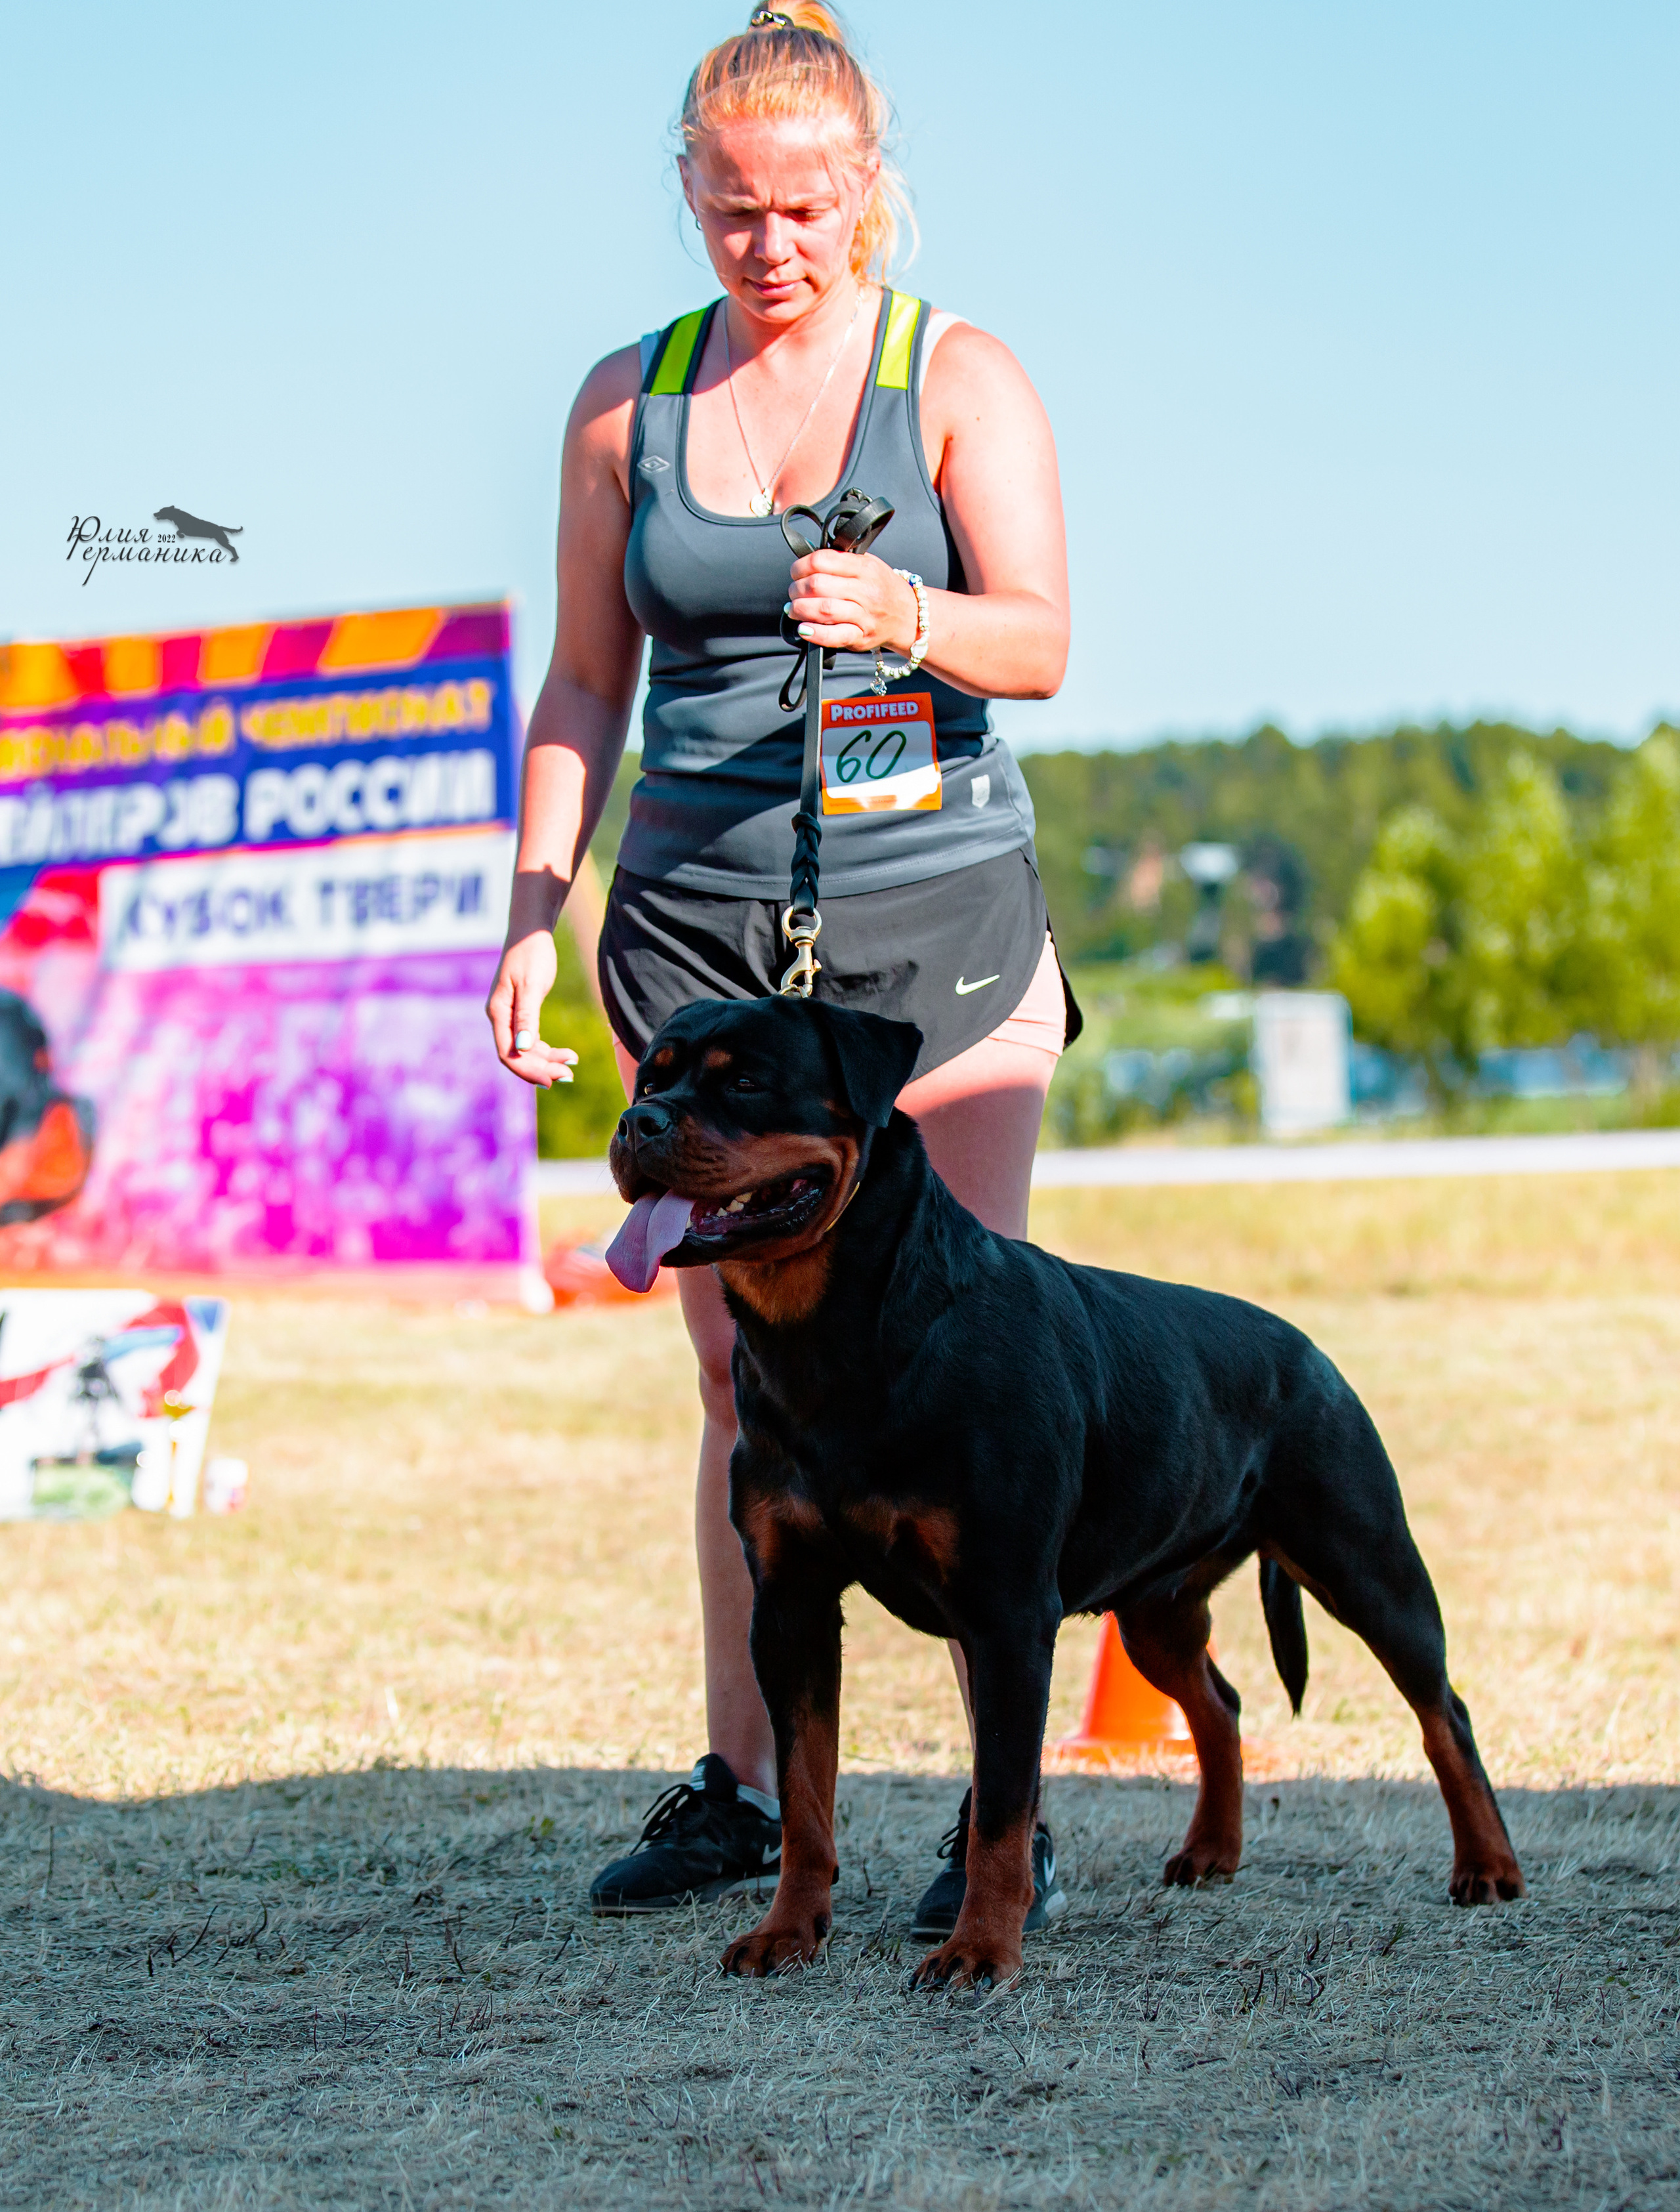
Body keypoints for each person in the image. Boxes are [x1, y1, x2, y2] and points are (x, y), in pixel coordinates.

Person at [487, 3, 1074, 1940]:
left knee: (983, 1373)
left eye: (808, 207)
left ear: (870, 190)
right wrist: (529, 904)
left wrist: (913, 607)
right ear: (687, 194)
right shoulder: (623, 404)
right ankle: (745, 1788)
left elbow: (1044, 639)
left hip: (937, 934)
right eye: (734, 209)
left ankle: (1005, 1823)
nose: (772, 246)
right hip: (700, 941)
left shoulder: (955, 373)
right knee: (746, 1379)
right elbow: (587, 679)